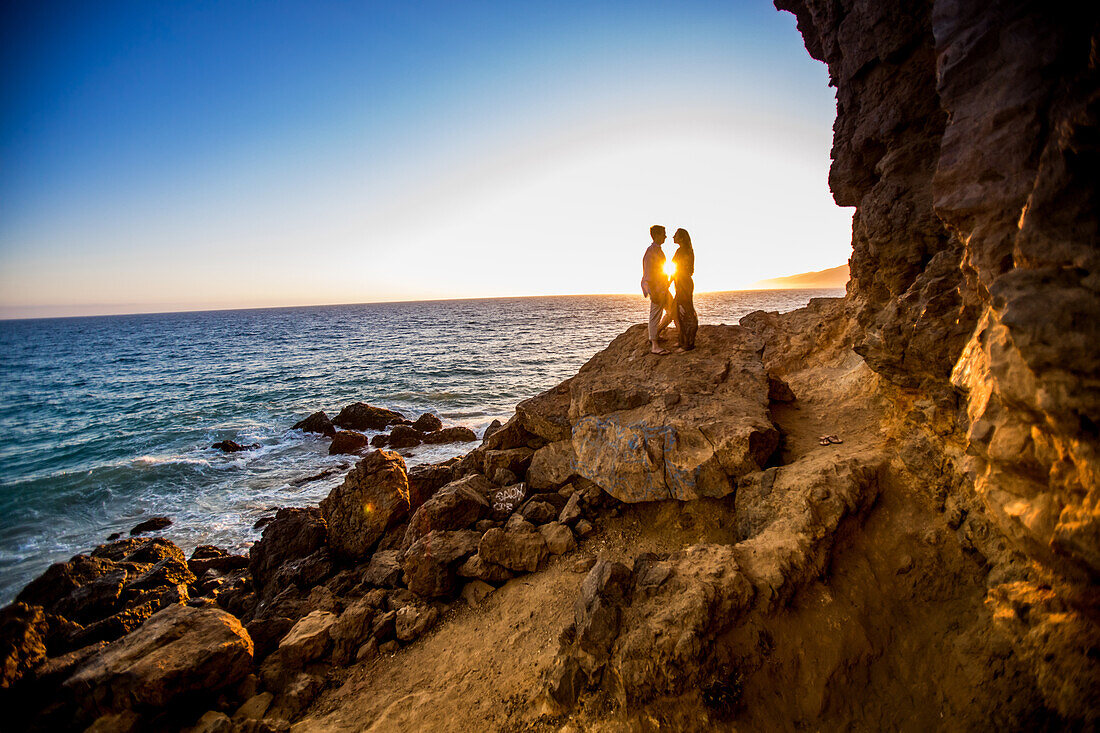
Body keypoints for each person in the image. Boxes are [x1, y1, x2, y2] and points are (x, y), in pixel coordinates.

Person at [641, 225, 674, 354]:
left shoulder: (658, 250)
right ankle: (654, 345)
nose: (666, 236)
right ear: (657, 235)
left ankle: (656, 333)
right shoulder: (651, 251)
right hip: (656, 289)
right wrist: (653, 291)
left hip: (662, 287)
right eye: (663, 234)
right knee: (655, 315)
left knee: (673, 310)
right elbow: (649, 273)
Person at [671, 228, 698, 351]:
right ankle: (682, 340)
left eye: (675, 235)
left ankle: (687, 344)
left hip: (683, 283)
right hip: (683, 282)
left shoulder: (682, 251)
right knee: (676, 310)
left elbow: (676, 269)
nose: (673, 237)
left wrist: (669, 282)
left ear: (681, 238)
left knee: (684, 312)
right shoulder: (687, 251)